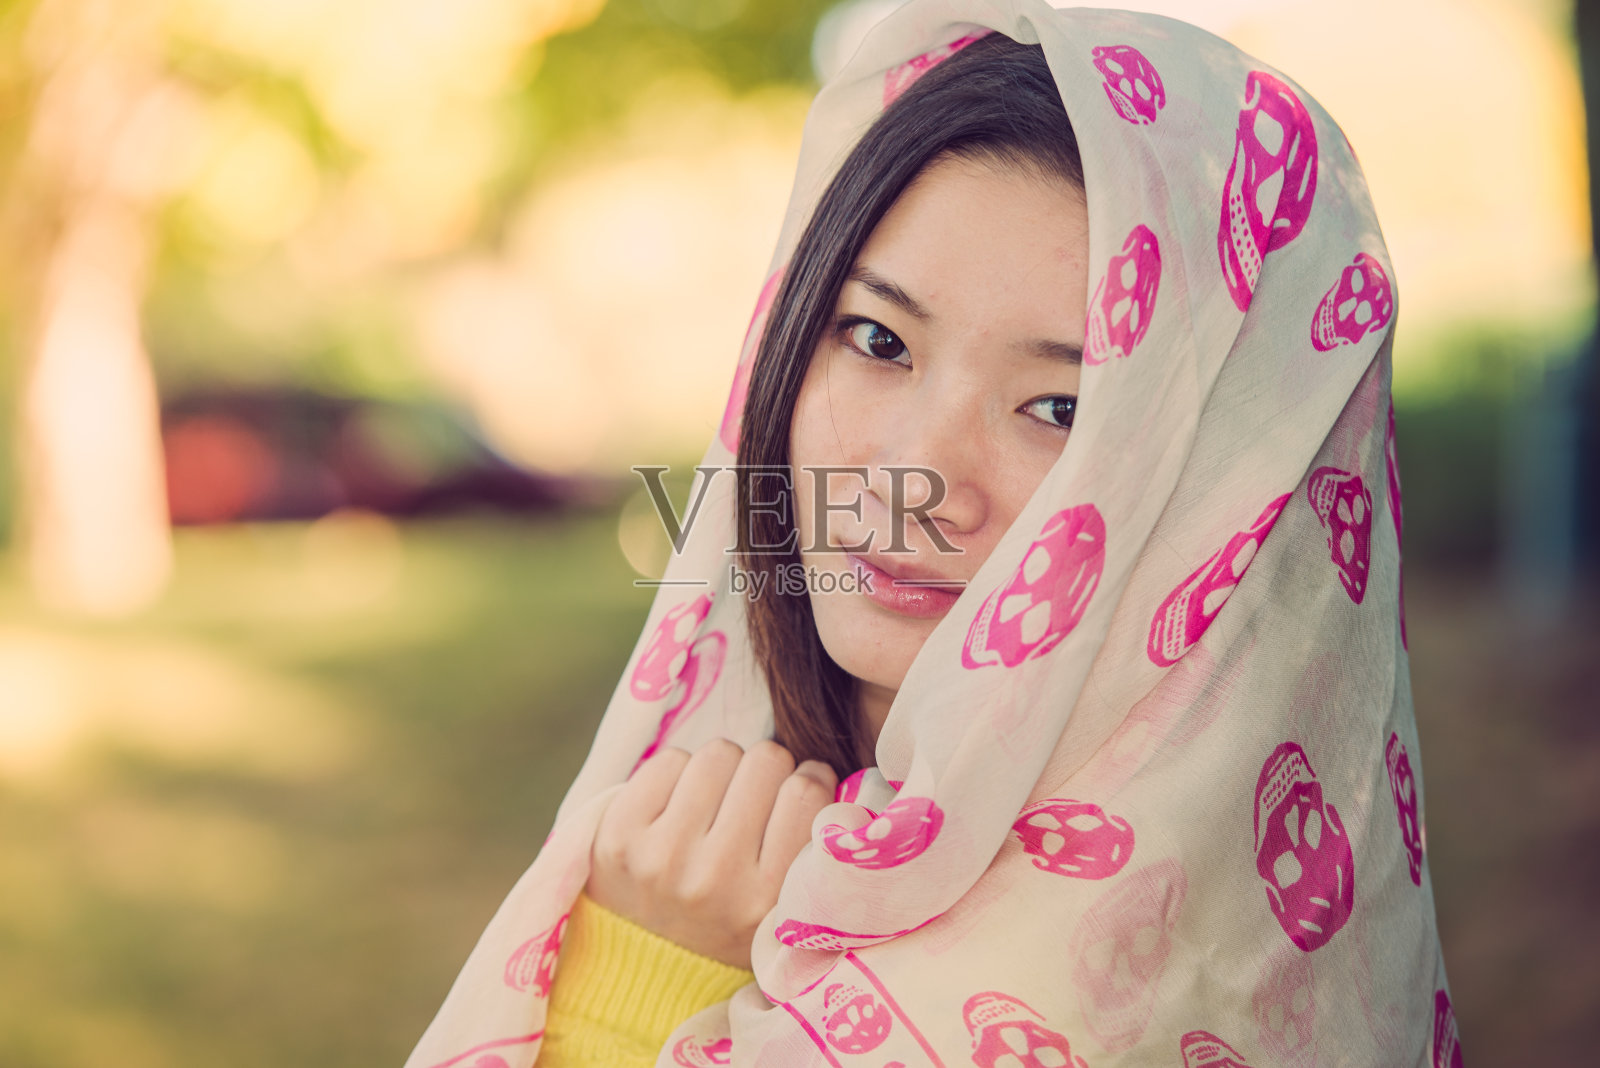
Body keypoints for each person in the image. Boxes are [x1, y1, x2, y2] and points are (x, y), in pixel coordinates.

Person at [406, 2, 1458, 1067]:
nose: (914, 479)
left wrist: (637, 994)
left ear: (1224, 502)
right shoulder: (709, 826)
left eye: (1061, 409)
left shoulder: (1139, 985)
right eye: (877, 340)